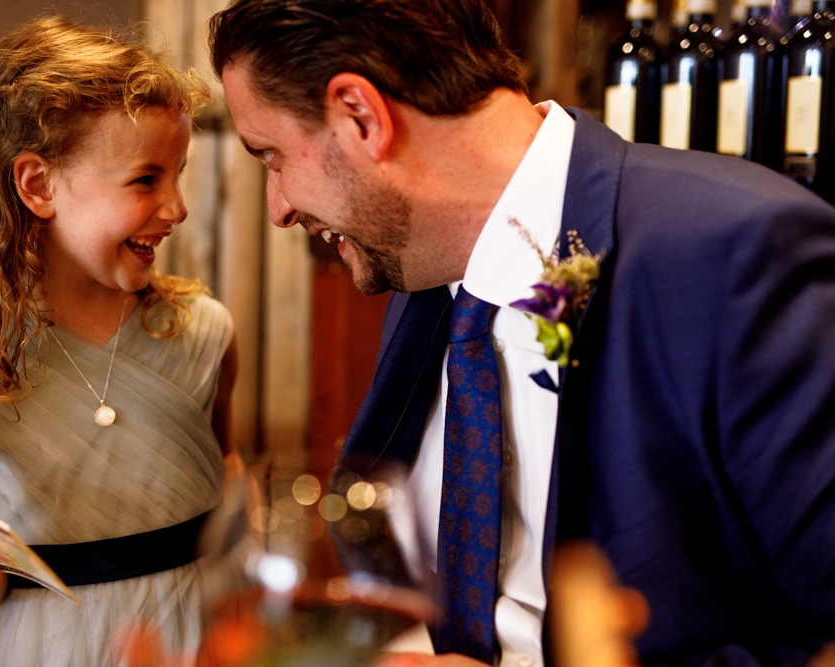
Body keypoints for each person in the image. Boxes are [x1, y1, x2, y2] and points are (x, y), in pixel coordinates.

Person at [207, 1, 835, 666]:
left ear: (361, 116)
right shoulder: (422, 269)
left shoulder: (736, 256)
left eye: (271, 156)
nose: (276, 208)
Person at [0, 16, 242, 666]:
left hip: (197, 633)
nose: (177, 206)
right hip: (49, 644)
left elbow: (228, 477)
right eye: (147, 179)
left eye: (179, 175)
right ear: (38, 186)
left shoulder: (206, 332)